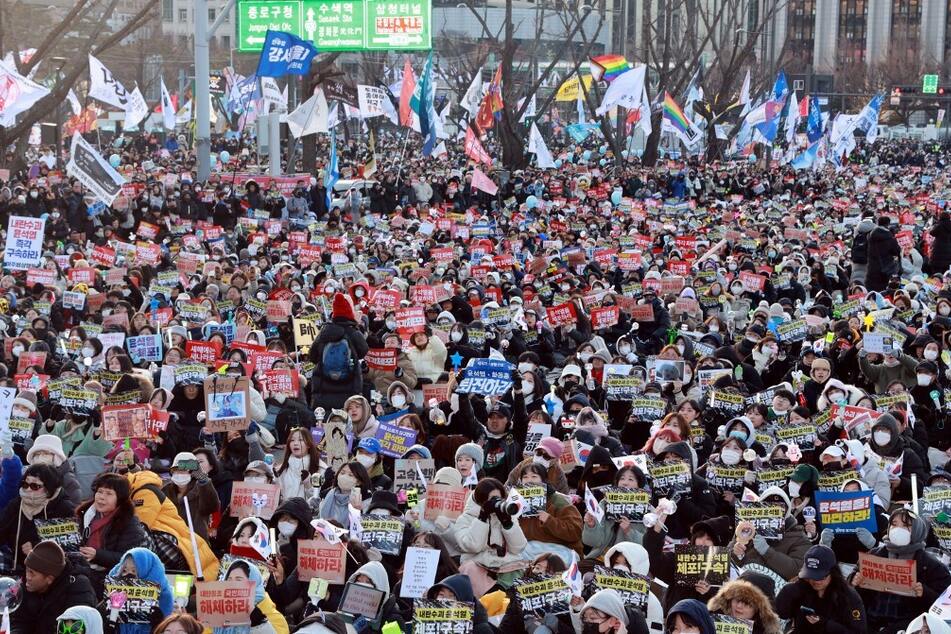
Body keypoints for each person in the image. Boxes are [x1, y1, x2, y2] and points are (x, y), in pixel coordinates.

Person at [852, 509, 951, 633]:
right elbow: (849, 592)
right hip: (869, 623)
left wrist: (925, 592)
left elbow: (945, 605)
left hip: (907, 626)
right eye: (894, 524)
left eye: (906, 525)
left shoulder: (931, 566)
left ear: (916, 531)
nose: (898, 529)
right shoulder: (874, 555)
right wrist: (855, 582)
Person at [11, 540, 97, 634]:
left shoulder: (78, 587)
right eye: (27, 570)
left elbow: (74, 629)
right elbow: (20, 622)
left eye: (32, 573)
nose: (27, 577)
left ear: (49, 579)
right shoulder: (28, 586)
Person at [776, 544, 866, 633]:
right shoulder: (800, 588)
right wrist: (787, 593)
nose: (816, 581)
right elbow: (782, 615)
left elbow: (858, 631)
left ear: (833, 573)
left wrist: (825, 624)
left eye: (821, 577)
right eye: (812, 576)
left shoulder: (848, 597)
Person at [707, 580, 781, 634]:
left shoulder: (766, 631)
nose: (739, 606)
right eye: (737, 599)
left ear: (758, 608)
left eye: (747, 603)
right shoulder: (708, 620)